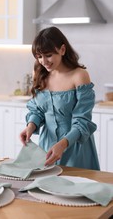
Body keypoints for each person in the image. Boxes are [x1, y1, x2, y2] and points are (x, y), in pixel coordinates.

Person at [20, 26, 100, 170]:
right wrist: (30, 126)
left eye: (48, 55)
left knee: (76, 188)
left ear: (62, 50)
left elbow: (82, 120)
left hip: (75, 147)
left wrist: (63, 144)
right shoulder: (39, 73)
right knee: (45, 188)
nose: (44, 61)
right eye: (39, 56)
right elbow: (37, 109)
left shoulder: (79, 75)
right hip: (47, 146)